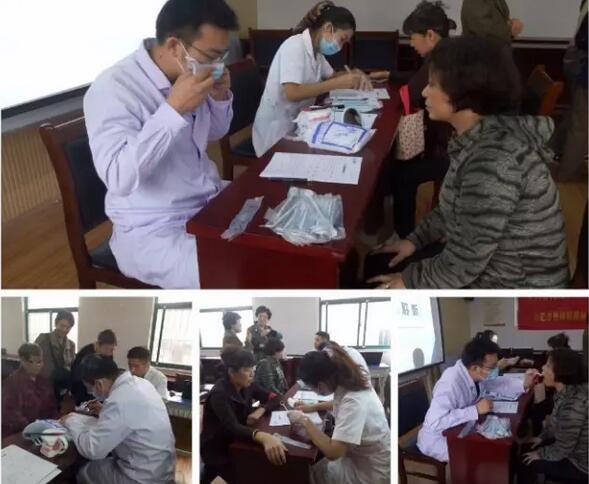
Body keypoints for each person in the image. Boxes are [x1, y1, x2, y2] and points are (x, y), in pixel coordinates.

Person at [364, 35, 569, 289]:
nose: (425, 91)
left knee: (374, 280)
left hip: (511, 285)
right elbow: (454, 207)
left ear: (464, 93)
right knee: (378, 262)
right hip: (486, 264)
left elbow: (465, 264)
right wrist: (414, 241)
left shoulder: (494, 162)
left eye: (432, 84)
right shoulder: (478, 137)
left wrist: (408, 281)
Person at [83, 0, 239, 288]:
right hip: (154, 229)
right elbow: (119, 177)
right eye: (212, 56)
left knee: (273, 229)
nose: (218, 65)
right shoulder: (113, 88)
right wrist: (173, 109)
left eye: (222, 56)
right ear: (174, 46)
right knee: (231, 275)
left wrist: (219, 97)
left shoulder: (189, 73)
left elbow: (216, 132)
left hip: (206, 200)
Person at [369, 1, 456, 238]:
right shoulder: (446, 53)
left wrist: (394, 82)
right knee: (395, 165)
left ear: (430, 35)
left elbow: (413, 91)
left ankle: (404, 235)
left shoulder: (441, 60)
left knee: (402, 174)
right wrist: (390, 75)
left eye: (413, 38)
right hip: (441, 142)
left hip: (449, 151)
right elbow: (418, 79)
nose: (411, 43)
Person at [252, 1, 371, 156]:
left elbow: (332, 76)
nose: (341, 47)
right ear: (328, 28)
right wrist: (335, 83)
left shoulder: (317, 52)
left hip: (300, 123)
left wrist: (354, 74)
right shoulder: (294, 46)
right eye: (342, 39)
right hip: (275, 131)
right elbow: (292, 93)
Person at [417, 336, 538, 462]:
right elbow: (436, 422)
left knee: (494, 447)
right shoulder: (450, 383)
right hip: (439, 438)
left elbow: (498, 383)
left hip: (461, 427)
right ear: (475, 367)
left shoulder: (476, 373)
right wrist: (475, 410)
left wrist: (524, 383)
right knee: (481, 456)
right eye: (493, 367)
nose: (496, 370)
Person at [61, 355, 175, 484]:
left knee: (84, 472)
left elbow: (93, 450)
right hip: (162, 468)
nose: (91, 393)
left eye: (89, 389)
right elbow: (131, 416)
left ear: (99, 384)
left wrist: (70, 420)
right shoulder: (141, 383)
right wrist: (105, 410)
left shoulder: (119, 400)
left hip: (143, 477)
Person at [295, 347, 390, 483]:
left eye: (312, 388)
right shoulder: (350, 377)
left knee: (312, 474)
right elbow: (340, 402)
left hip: (370, 470)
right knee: (317, 468)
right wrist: (313, 407)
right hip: (363, 454)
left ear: (320, 385)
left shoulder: (354, 401)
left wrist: (304, 420)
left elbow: (333, 452)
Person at [200, 348, 287, 483]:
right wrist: (264, 437)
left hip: (238, 440)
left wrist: (262, 409)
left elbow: (276, 398)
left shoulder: (248, 385)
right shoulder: (219, 394)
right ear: (232, 372)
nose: (252, 374)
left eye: (253, 369)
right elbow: (232, 427)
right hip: (218, 449)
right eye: (247, 370)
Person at [518, 348, 588, 484]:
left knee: (524, 462)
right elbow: (555, 422)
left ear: (561, 372)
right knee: (529, 447)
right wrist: (542, 437)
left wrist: (540, 454)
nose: (543, 368)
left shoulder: (574, 404)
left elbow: (563, 448)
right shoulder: (564, 391)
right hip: (569, 447)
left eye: (548, 365)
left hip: (580, 463)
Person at [551, 0, 588, 181]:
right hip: (584, 72)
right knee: (580, 125)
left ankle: (552, 153)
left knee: (577, 119)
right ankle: (567, 173)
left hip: (581, 69)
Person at [2, 343, 58, 437]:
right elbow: (11, 415)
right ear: (23, 361)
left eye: (41, 361)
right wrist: (33, 428)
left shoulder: (44, 381)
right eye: (36, 362)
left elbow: (51, 407)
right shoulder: (13, 383)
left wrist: (53, 423)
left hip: (45, 429)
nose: (40, 365)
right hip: (20, 433)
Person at [34, 310, 76, 402]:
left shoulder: (71, 345)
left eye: (68, 327)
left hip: (60, 388)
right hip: (43, 386)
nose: (64, 330)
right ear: (56, 323)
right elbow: (31, 359)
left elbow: (71, 366)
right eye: (62, 326)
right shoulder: (43, 339)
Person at [71, 329, 118, 404]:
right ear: (99, 344)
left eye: (112, 350)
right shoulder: (85, 354)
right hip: (82, 390)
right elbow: (77, 376)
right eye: (107, 349)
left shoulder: (107, 354)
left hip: (101, 392)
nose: (110, 353)